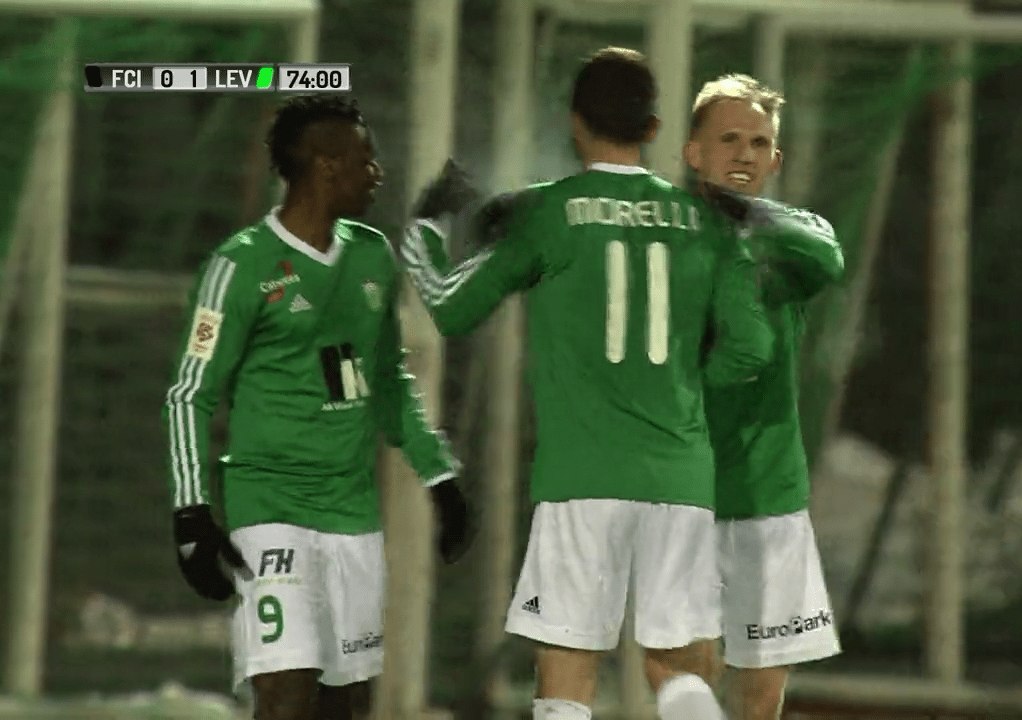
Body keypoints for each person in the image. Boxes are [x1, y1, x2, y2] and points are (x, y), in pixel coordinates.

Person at [401, 47, 774, 720]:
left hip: (580, 479)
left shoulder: (545, 212)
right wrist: (685, 390)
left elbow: (449, 306)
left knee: (568, 671)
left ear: (574, 123)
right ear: (654, 127)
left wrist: (426, 224)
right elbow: (752, 347)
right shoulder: (708, 221)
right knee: (678, 666)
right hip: (680, 478)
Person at [162, 94, 470, 720]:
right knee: (285, 691)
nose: (377, 173)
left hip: (352, 515)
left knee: (343, 704)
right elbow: (190, 393)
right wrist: (191, 514)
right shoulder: (240, 264)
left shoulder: (373, 255)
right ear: (326, 166)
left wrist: (439, 477)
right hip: (270, 510)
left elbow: (388, 382)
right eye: (366, 159)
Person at [681, 74, 845, 720]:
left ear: (775, 160)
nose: (744, 154)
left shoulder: (790, 237)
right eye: (729, 140)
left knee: (762, 687)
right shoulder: (661, 238)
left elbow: (828, 257)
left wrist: (747, 219)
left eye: (758, 143)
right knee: (690, 674)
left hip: (767, 492)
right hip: (680, 491)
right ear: (693, 151)